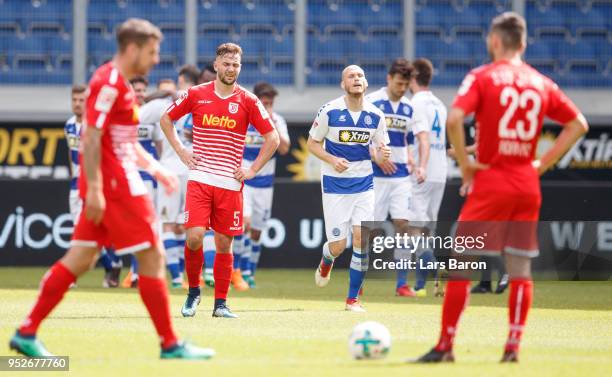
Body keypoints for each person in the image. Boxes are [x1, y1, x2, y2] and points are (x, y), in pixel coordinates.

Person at [9, 18, 215, 359]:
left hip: (116, 180)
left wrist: (156, 169)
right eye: (152, 51)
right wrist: (97, 190)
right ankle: (170, 344)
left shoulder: (117, 83)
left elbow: (126, 142)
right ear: (132, 48)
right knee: (152, 255)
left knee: (80, 258)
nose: (155, 58)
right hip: (117, 186)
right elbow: (91, 138)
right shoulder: (108, 83)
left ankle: (27, 331)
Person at [415, 12, 588, 363]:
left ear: (494, 41)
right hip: (526, 181)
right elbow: (578, 124)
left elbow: (453, 119)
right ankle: (512, 348)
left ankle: (446, 346)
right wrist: (542, 163)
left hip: (492, 179)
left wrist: (465, 163)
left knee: (462, 259)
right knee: (519, 267)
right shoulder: (542, 82)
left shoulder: (483, 76)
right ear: (523, 43)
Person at [160, 43, 280, 319]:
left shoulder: (249, 100)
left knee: (225, 244)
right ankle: (193, 293)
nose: (231, 68)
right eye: (226, 63)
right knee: (194, 237)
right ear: (215, 65)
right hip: (200, 180)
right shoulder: (195, 94)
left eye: (236, 64)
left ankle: (221, 304)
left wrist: (252, 171)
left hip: (230, 184)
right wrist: (181, 151)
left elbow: (272, 138)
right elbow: (167, 120)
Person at [309, 65, 390, 312]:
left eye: (360, 76)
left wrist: (382, 154)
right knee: (337, 246)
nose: (356, 79)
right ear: (343, 85)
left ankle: (352, 299)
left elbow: (380, 151)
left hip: (364, 184)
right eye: (351, 76)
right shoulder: (330, 111)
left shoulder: (376, 115)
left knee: (361, 239)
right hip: (335, 186)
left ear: (365, 84)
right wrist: (332, 160)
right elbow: (313, 143)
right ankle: (327, 259)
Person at [365, 58, 429, 298]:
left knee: (403, 225)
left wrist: (417, 164)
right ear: (389, 79)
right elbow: (360, 139)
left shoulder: (410, 107)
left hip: (402, 176)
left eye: (405, 85)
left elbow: (412, 140)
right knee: (369, 230)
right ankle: (358, 280)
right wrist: (375, 155)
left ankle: (402, 284)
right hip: (375, 176)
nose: (402, 89)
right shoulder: (372, 102)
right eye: (399, 84)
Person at [65, 84, 123, 289]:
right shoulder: (69, 124)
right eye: (75, 100)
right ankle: (112, 265)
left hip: (92, 185)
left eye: (82, 100)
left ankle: (73, 275)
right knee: (84, 231)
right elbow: (72, 157)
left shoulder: (94, 126)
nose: (78, 104)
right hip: (76, 184)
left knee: (86, 231)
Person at [238, 82, 291, 288]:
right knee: (245, 223)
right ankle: (239, 272)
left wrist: (272, 123)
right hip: (244, 181)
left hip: (265, 184)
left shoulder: (278, 121)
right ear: (257, 100)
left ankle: (249, 271)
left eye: (270, 103)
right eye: (264, 102)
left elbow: (285, 148)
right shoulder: (244, 118)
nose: (267, 106)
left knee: (257, 231)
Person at [152, 65, 200, 289]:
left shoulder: (167, 102)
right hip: (192, 169)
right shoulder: (201, 101)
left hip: (169, 168)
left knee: (167, 224)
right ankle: (188, 274)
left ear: (181, 79)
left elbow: (145, 116)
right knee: (185, 224)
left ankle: (177, 277)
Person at [405, 58, 448, 297]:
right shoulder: (440, 104)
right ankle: (421, 286)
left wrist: (419, 165)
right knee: (427, 232)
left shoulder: (416, 103)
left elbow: (422, 138)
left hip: (423, 172)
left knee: (414, 229)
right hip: (440, 172)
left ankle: (437, 268)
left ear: (414, 78)